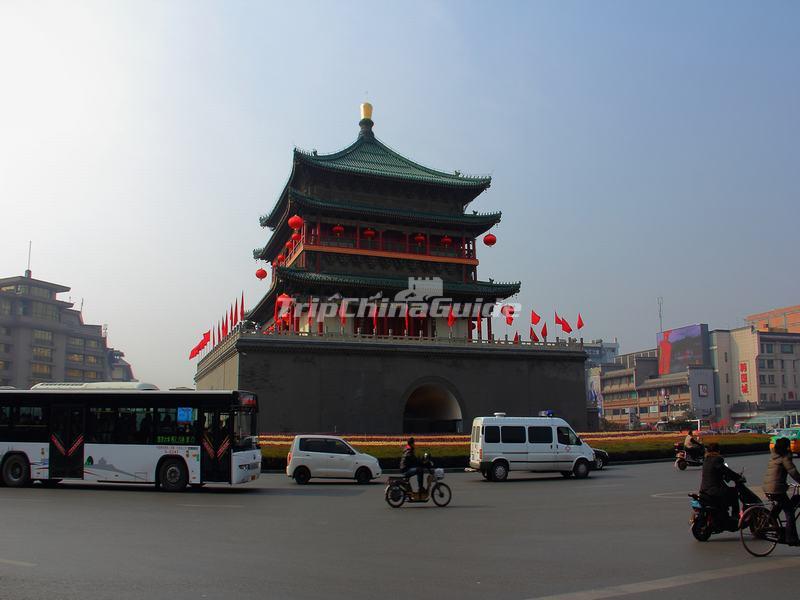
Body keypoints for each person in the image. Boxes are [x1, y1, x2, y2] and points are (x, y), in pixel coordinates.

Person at [763, 437, 800, 546]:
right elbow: (793, 472)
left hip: (768, 488)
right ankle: (791, 538)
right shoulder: (785, 457)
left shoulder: (774, 456)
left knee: (781, 503)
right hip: (776, 489)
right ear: (786, 446)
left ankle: (770, 519)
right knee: (790, 513)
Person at [699, 442, 743, 527]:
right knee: (734, 493)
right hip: (714, 490)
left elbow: (720, 471)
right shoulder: (717, 459)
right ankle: (735, 516)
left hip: (704, 490)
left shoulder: (706, 459)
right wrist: (737, 477)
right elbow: (726, 470)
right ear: (718, 450)